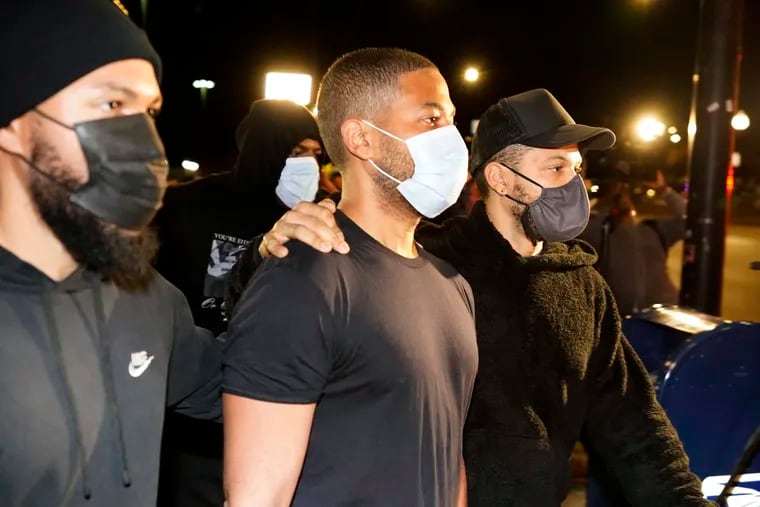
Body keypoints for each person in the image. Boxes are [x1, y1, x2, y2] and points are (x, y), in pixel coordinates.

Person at [239, 89, 712, 506]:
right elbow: (282, 315)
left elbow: (634, 425)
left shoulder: (584, 287)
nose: (572, 183)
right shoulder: (433, 262)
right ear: (502, 180)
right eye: (556, 166)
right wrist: (268, 250)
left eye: (576, 168)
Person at [221, 47, 477, 507]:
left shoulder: (452, 284)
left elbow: (446, 453)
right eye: (430, 119)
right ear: (361, 139)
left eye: (452, 121)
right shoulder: (304, 280)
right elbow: (257, 496)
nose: (452, 139)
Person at [0, 1, 221, 506]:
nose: (147, 143)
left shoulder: (147, 298)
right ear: (12, 122)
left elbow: (252, 381)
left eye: (149, 112)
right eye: (111, 106)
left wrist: (292, 265)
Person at [152, 98, 324, 507]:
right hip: (190, 424)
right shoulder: (186, 206)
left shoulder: (311, 222)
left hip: (268, 413)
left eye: (316, 155)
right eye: (297, 152)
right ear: (266, 146)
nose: (309, 166)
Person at [579, 164, 687, 314]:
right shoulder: (598, 230)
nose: (621, 197)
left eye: (624, 191)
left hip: (665, 313)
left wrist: (664, 190)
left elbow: (689, 219)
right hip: (624, 318)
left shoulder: (652, 229)